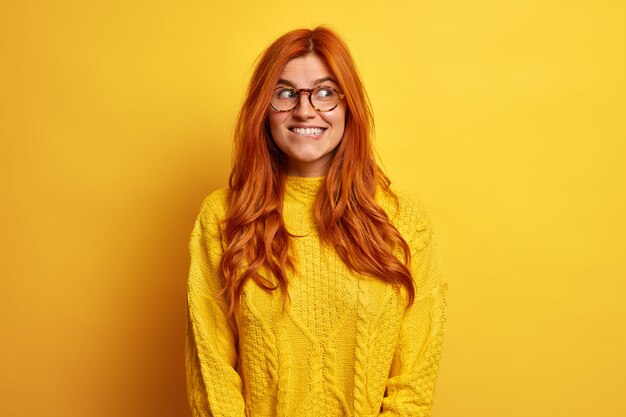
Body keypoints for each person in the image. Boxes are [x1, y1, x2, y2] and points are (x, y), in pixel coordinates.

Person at [186, 26, 447, 417]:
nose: (305, 110)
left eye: (326, 92)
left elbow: (415, 377)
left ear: (348, 106)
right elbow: (212, 371)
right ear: (264, 108)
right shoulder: (223, 217)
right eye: (286, 93)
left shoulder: (402, 219)